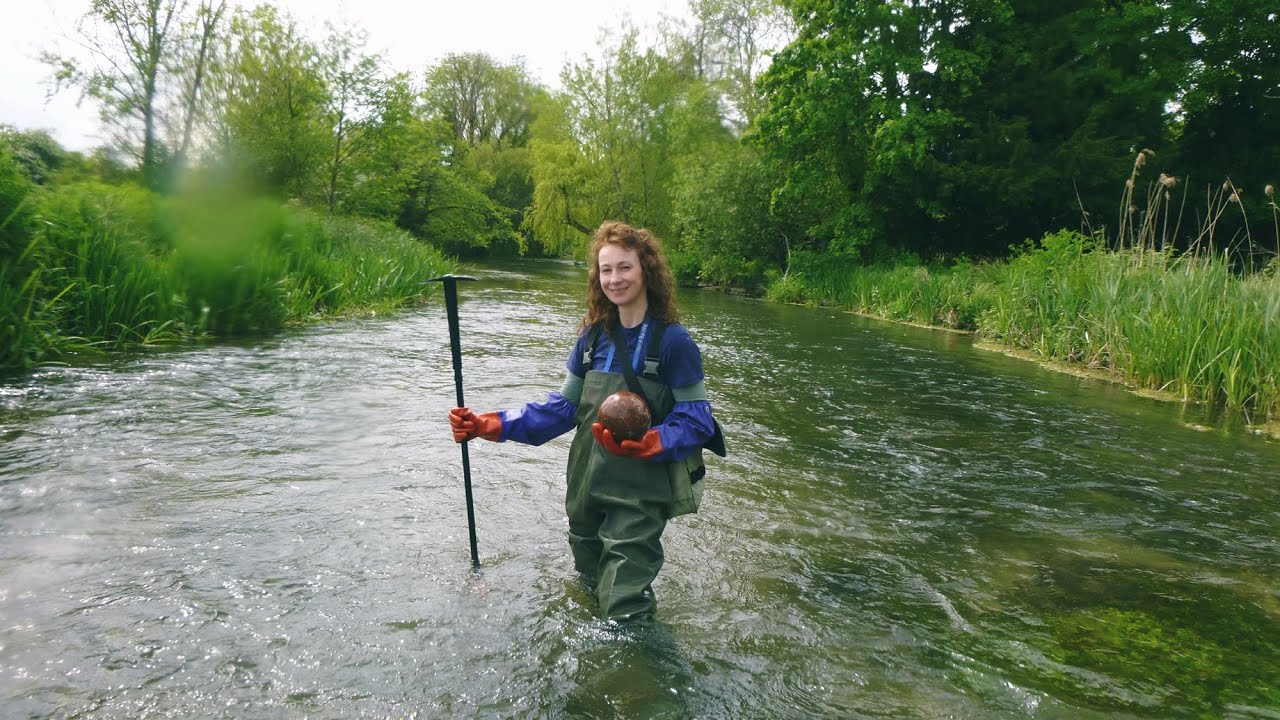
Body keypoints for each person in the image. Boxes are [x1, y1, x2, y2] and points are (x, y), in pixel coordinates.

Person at [448, 221, 724, 622]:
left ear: (646, 269)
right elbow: (563, 409)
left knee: (624, 607)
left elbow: (697, 419)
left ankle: (647, 679)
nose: (615, 279)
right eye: (606, 269)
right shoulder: (592, 339)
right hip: (586, 486)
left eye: (624, 267)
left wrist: (653, 441)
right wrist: (489, 424)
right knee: (589, 587)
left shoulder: (673, 342)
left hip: (639, 494)